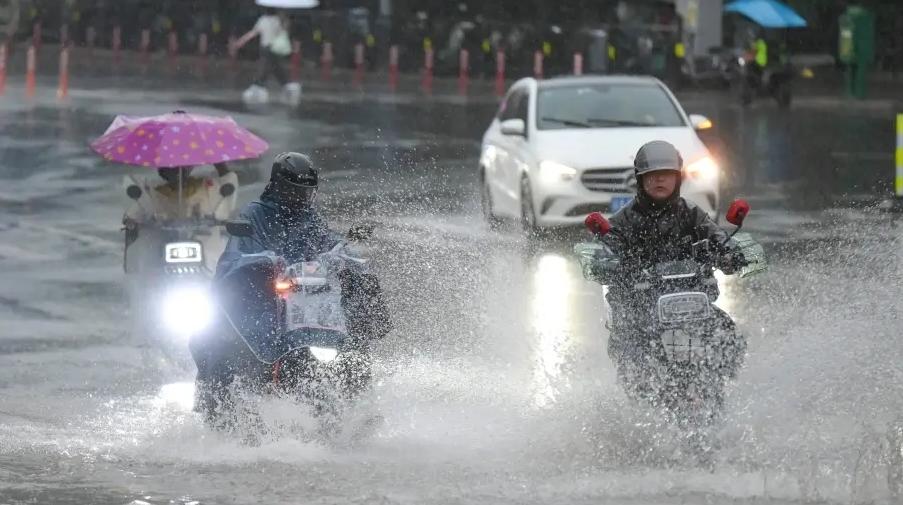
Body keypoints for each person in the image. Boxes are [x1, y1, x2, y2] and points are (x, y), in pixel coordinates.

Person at [191, 153, 390, 422]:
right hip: (263, 300)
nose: (299, 198)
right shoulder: (255, 213)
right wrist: (265, 262)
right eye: (293, 191)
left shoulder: (311, 219)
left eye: (305, 192)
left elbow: (327, 242)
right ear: (277, 185)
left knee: (355, 334)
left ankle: (358, 405)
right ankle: (224, 402)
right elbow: (238, 254)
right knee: (221, 340)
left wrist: (345, 253)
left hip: (308, 302)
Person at [598, 141, 745, 386]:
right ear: (640, 180)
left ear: (677, 178)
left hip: (688, 297)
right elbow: (606, 249)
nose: (659, 181)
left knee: (727, 333)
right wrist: (617, 264)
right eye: (652, 176)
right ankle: (640, 395)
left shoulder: (690, 212)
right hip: (642, 302)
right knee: (631, 347)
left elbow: (716, 236)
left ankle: (718, 384)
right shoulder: (625, 218)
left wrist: (729, 253)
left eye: (666, 175)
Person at [123, 163, 237, 274]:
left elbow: (228, 184)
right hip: (162, 249)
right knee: (147, 267)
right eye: (170, 168)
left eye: (181, 168)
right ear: (162, 171)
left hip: (205, 247)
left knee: (223, 268)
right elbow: (135, 213)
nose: (176, 172)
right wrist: (132, 222)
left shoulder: (207, 187)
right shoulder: (152, 194)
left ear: (189, 169)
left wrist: (219, 163)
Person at [234, 8, 300, 104]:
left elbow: (253, 32)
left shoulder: (263, 20)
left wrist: (241, 41)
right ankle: (287, 86)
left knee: (267, 68)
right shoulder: (279, 20)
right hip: (275, 49)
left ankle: (258, 86)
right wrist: (285, 20)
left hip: (265, 48)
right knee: (276, 69)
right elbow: (283, 32)